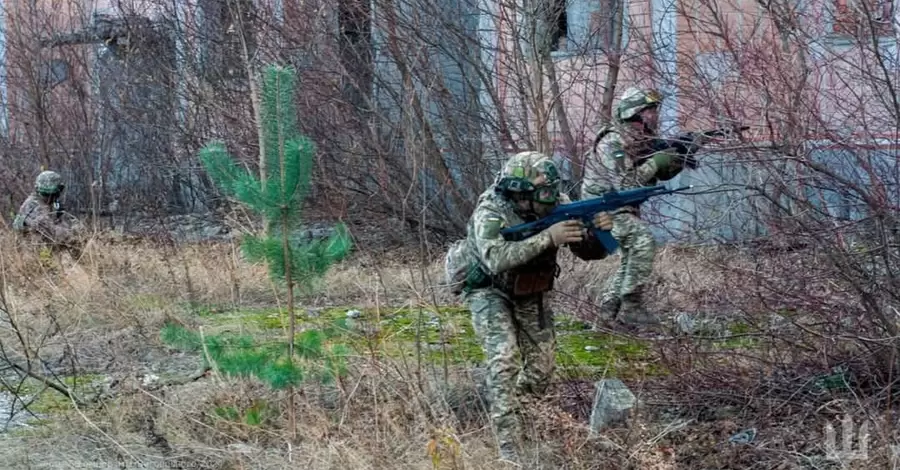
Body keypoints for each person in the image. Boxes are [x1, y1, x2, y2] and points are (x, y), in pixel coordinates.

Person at [444, 150, 615, 464]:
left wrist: (600, 231)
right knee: (504, 359)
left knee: (541, 369)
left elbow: (589, 253)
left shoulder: (557, 204)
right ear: (521, 194)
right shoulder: (491, 210)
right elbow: (495, 259)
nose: (550, 201)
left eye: (550, 193)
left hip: (530, 289)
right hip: (487, 289)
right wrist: (548, 238)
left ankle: (518, 416)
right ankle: (508, 446)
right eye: (541, 195)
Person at [581, 87, 698, 329]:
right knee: (643, 241)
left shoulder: (643, 139)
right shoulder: (612, 141)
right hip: (601, 210)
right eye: (650, 110)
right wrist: (657, 161)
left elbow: (662, 171)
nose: (656, 114)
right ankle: (632, 308)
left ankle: (607, 313)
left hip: (620, 209)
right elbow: (625, 184)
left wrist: (682, 153)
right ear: (636, 113)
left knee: (631, 256)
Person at [12, 170, 84, 252]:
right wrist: (75, 232)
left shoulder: (50, 203)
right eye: (47, 194)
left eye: (54, 194)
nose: (51, 197)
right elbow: (55, 235)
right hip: (34, 254)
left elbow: (64, 221)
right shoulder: (33, 207)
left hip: (46, 251)